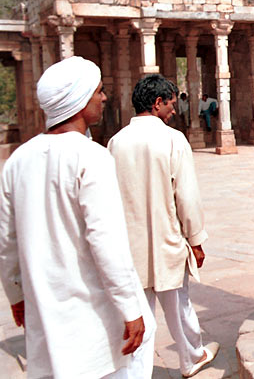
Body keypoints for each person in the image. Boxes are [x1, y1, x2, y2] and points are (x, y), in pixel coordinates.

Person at [0, 56, 154, 379]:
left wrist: (15, 294)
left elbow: (7, 241)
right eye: (98, 92)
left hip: (44, 312)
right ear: (80, 101)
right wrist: (130, 307)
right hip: (90, 320)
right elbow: (106, 241)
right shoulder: (91, 157)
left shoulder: (18, 160)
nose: (104, 98)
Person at [108, 74, 219, 377]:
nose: (174, 109)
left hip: (131, 244)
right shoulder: (172, 139)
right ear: (157, 103)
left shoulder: (116, 142)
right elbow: (187, 196)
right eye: (171, 103)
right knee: (178, 305)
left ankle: (136, 372)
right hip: (167, 238)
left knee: (139, 313)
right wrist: (195, 240)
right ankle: (191, 357)